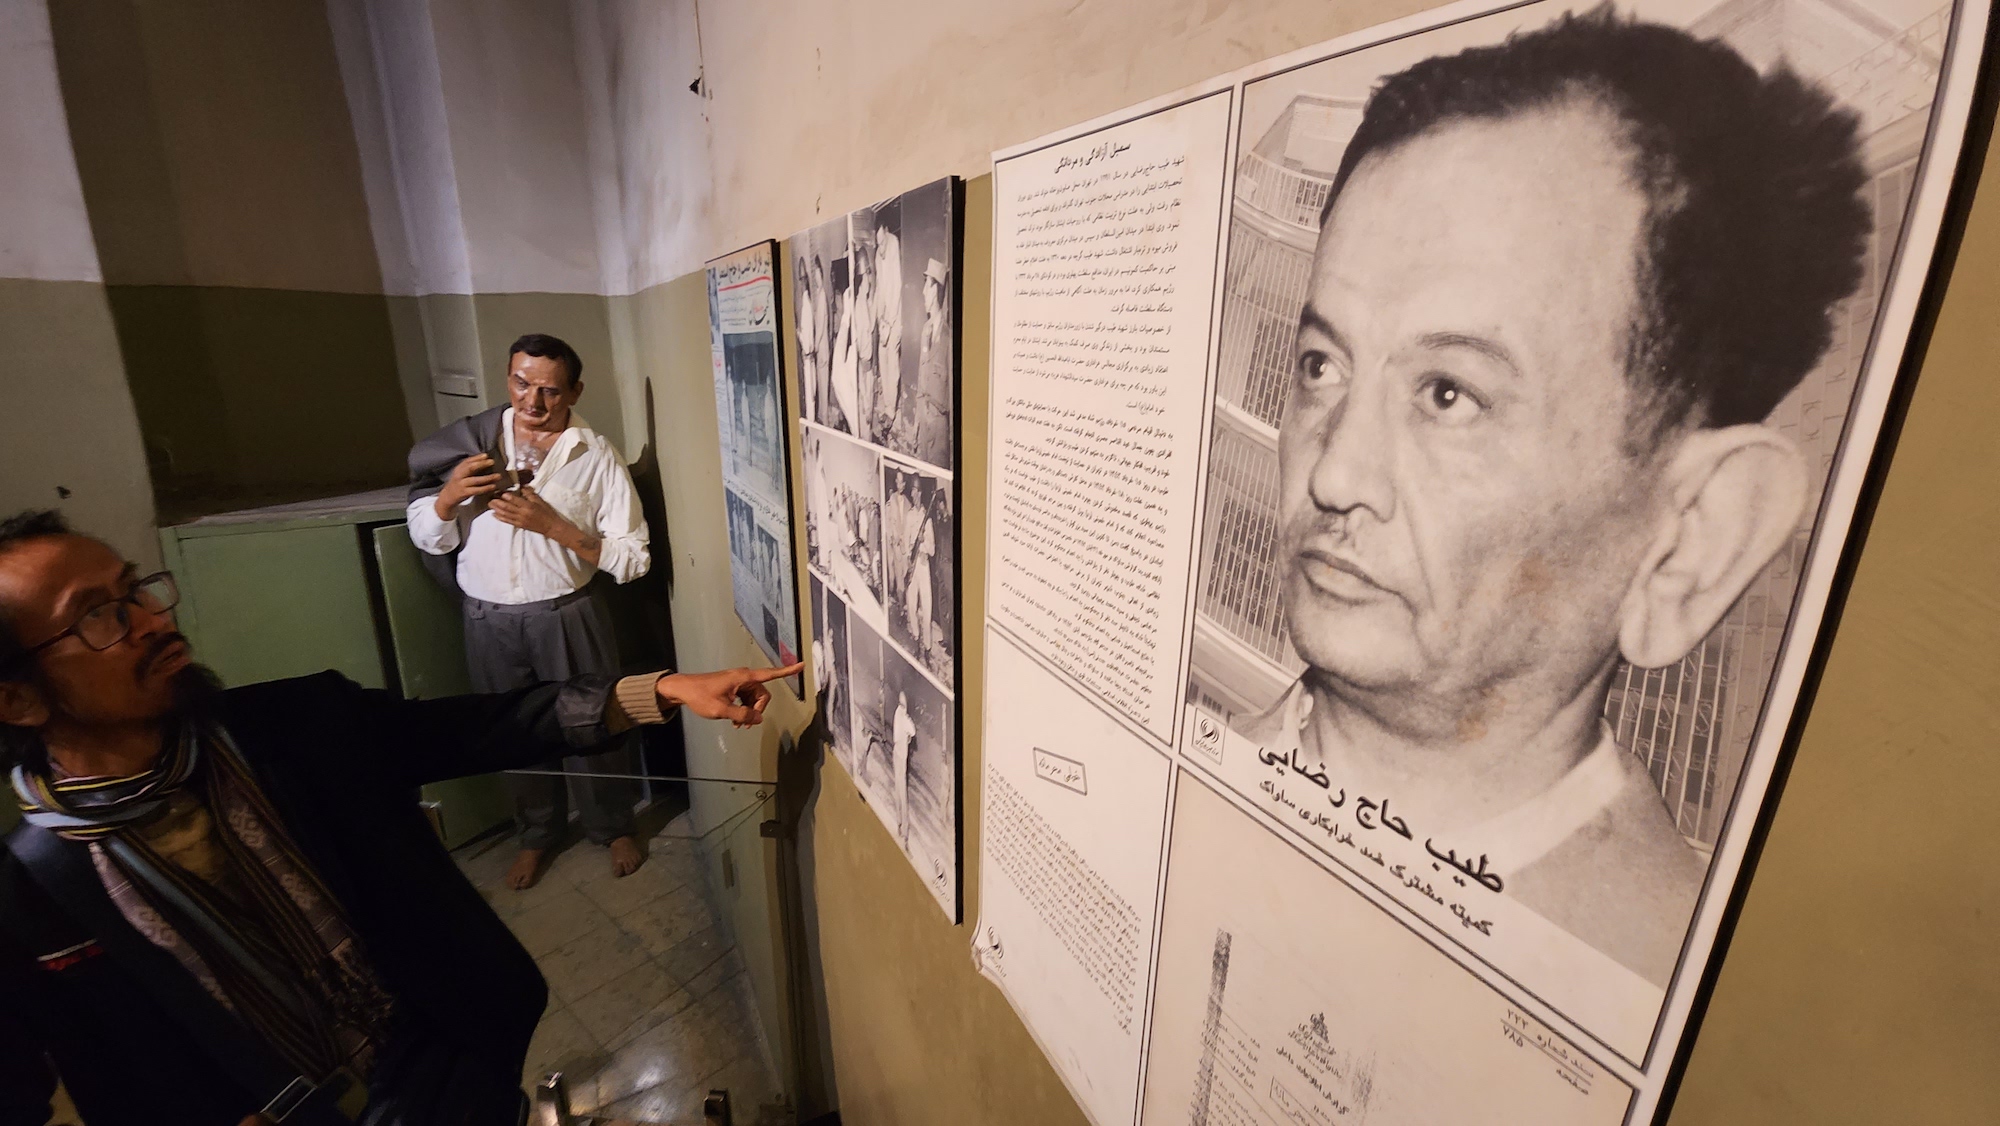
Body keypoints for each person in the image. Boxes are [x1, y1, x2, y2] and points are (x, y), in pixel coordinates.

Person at [1237, 8, 1869, 988]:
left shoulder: (1669, 990)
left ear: (1688, 543)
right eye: (1322, 365)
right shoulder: (1182, 774)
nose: (1334, 475)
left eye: (1447, 394)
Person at [0, 509, 799, 1126]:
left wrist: (660, 690)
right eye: (98, 616)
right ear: (16, 698)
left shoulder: (295, 725)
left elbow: (478, 727)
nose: (150, 619)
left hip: (448, 1076)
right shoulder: (27, 890)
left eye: (136, 589)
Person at [405, 333, 651, 890]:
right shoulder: (472, 446)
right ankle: (537, 834)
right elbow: (428, 537)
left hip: (568, 614)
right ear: (508, 377)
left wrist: (555, 527)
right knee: (510, 731)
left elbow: (634, 559)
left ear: (575, 391)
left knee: (594, 723)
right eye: (521, 383)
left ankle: (612, 826)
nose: (532, 402)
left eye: (550, 391)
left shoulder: (594, 455)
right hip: (488, 620)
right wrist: (446, 499)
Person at [889, 690, 915, 849]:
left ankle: (900, 822)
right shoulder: (904, 717)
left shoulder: (897, 713)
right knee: (902, 791)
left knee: (898, 788)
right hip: (901, 756)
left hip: (896, 752)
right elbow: (912, 731)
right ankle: (904, 828)